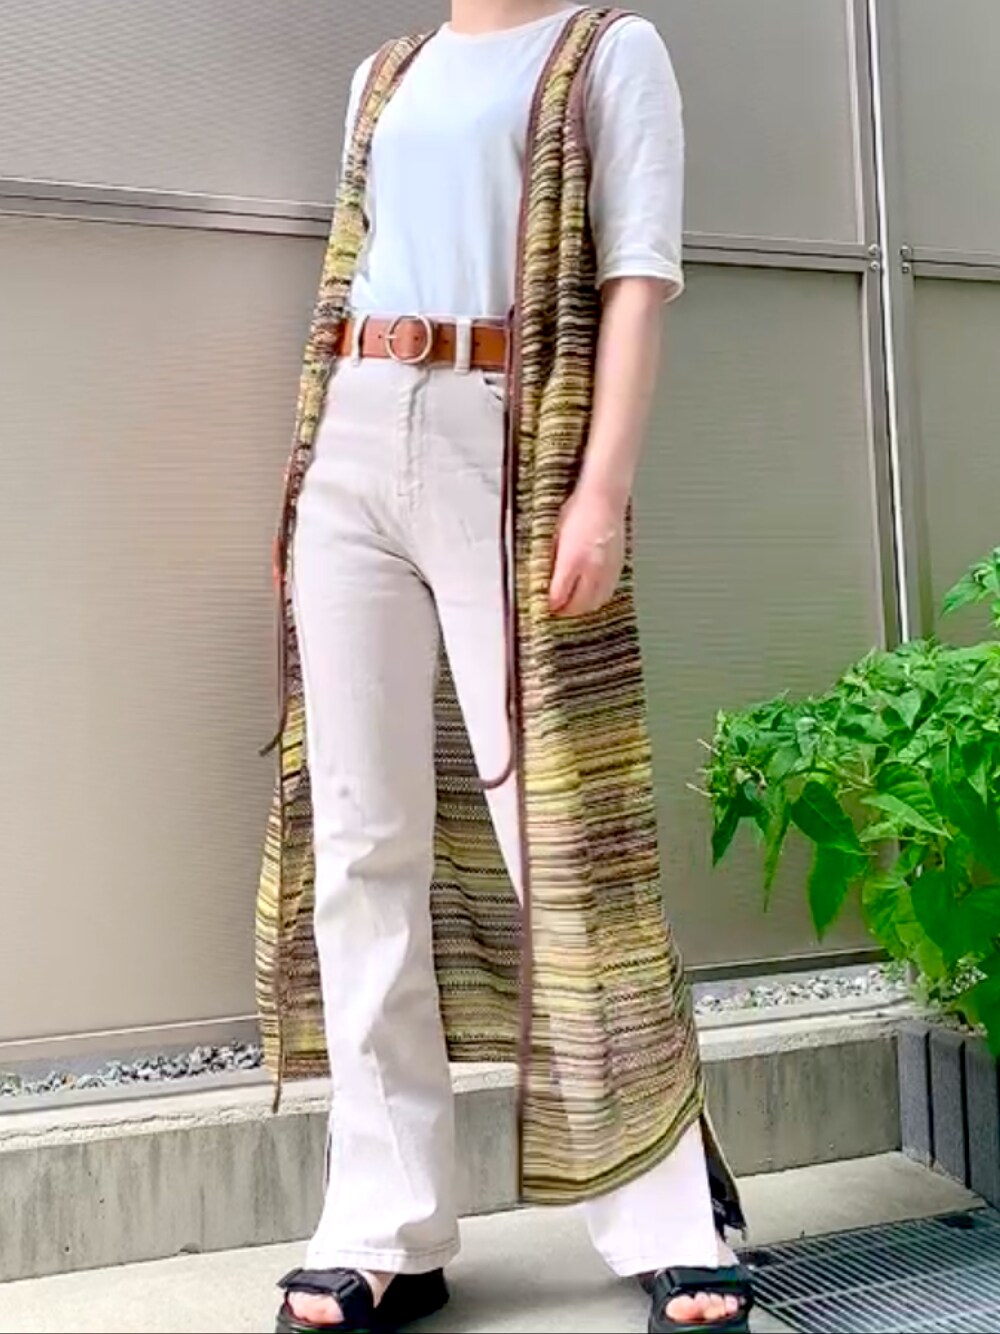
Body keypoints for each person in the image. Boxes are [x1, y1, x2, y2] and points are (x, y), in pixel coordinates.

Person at [259, 3, 755, 1331]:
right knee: (360, 843)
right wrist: (309, 477)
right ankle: (384, 1227)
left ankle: (669, 1205)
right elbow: (353, 269)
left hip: (508, 436)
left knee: (563, 831)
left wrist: (603, 491)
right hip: (354, 431)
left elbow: (635, 279)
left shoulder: (607, 49)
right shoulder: (385, 74)